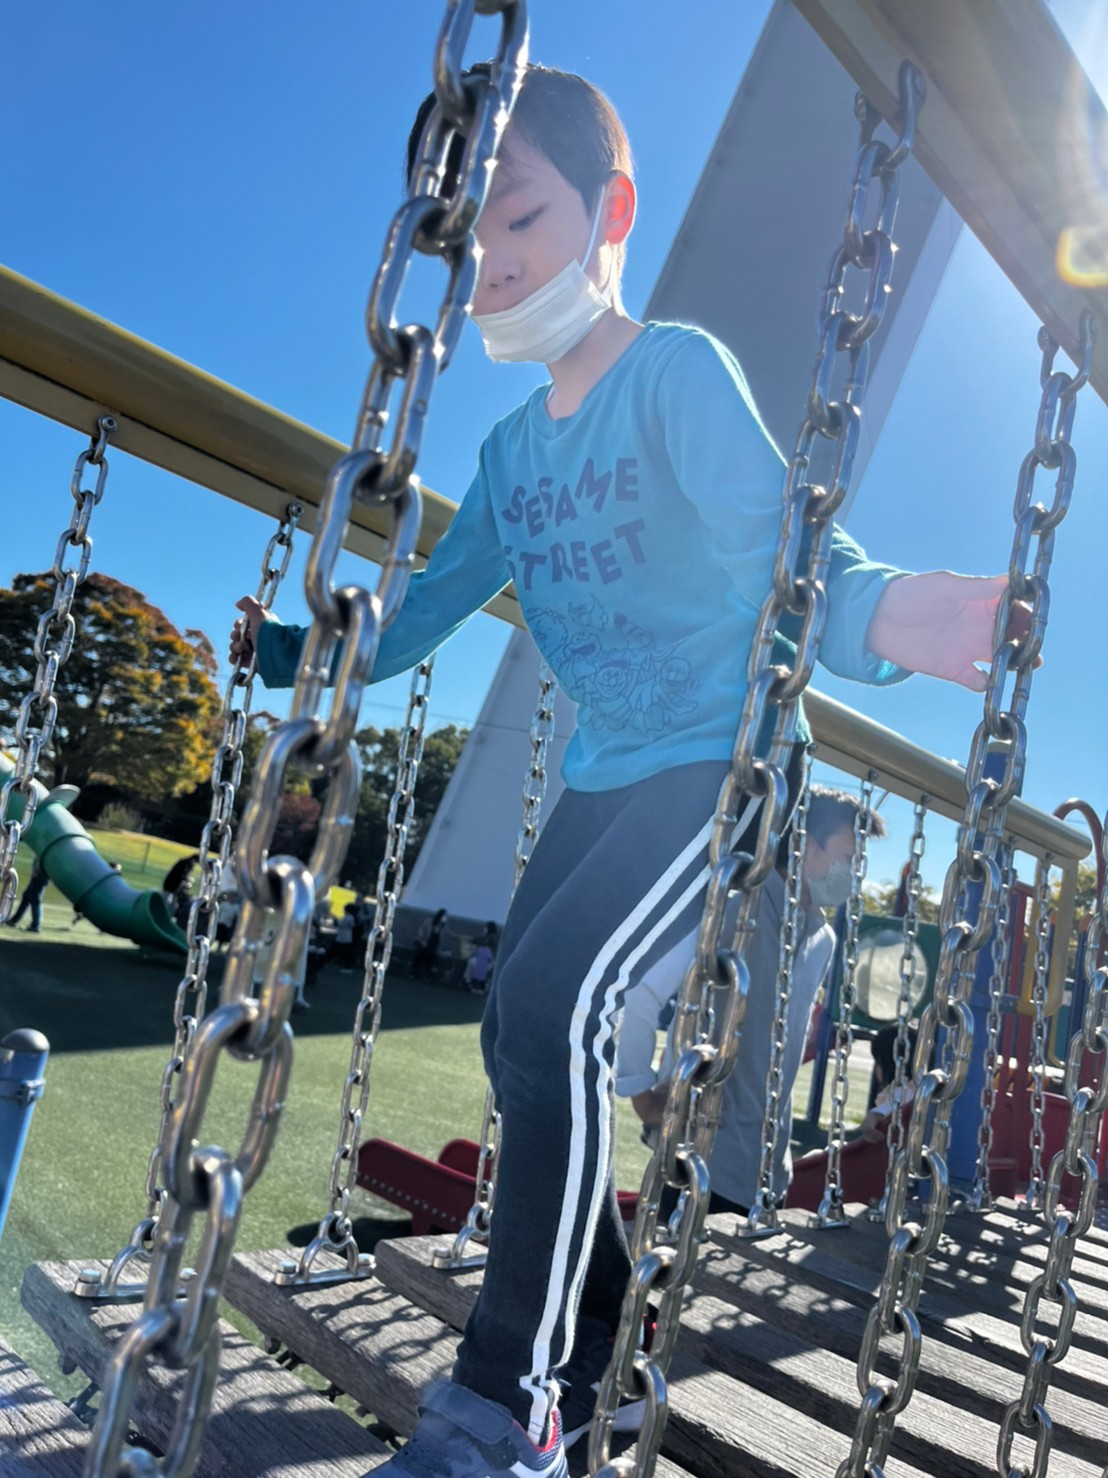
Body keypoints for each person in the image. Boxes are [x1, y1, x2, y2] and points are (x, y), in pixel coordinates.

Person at [228, 63, 1027, 1478]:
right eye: (463, 239)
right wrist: (297, 644)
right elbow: (417, 611)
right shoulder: (507, 454)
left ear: (610, 213)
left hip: (722, 766)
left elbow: (783, 536)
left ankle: (508, 1406)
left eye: (521, 217)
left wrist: (879, 612)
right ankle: (597, 1342)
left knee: (558, 1005)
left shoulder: (673, 373)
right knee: (514, 1028)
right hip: (605, 779)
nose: (491, 264)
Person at [620, 786, 886, 1219]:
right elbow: (641, 989)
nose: (853, 873)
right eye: (847, 857)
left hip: (767, 1170)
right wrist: (641, 1095)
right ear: (803, 844)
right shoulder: (732, 907)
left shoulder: (821, 939)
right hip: (699, 1157)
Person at [860, 1023, 918, 1142]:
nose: (875, 1068)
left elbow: (888, 1109)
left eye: (878, 1062)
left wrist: (870, 1120)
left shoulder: (903, 1090)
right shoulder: (917, 1088)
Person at [6, 858, 49, 932]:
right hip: (38, 875)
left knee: (35, 899)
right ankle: (14, 920)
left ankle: (35, 925)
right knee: (26, 897)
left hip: (40, 876)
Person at [411, 907, 449, 981]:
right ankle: (414, 970)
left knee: (432, 954)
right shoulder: (429, 922)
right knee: (423, 952)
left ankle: (427, 972)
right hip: (424, 942)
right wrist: (422, 941)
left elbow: (451, 935)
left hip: (433, 946)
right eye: (444, 916)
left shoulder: (443, 926)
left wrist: (463, 937)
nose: (445, 918)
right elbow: (421, 931)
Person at [335, 903, 358, 975]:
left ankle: (347, 966)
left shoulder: (347, 917)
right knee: (346, 952)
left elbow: (340, 924)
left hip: (344, 937)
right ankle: (345, 964)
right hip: (347, 937)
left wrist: (336, 920)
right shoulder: (351, 917)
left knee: (346, 952)